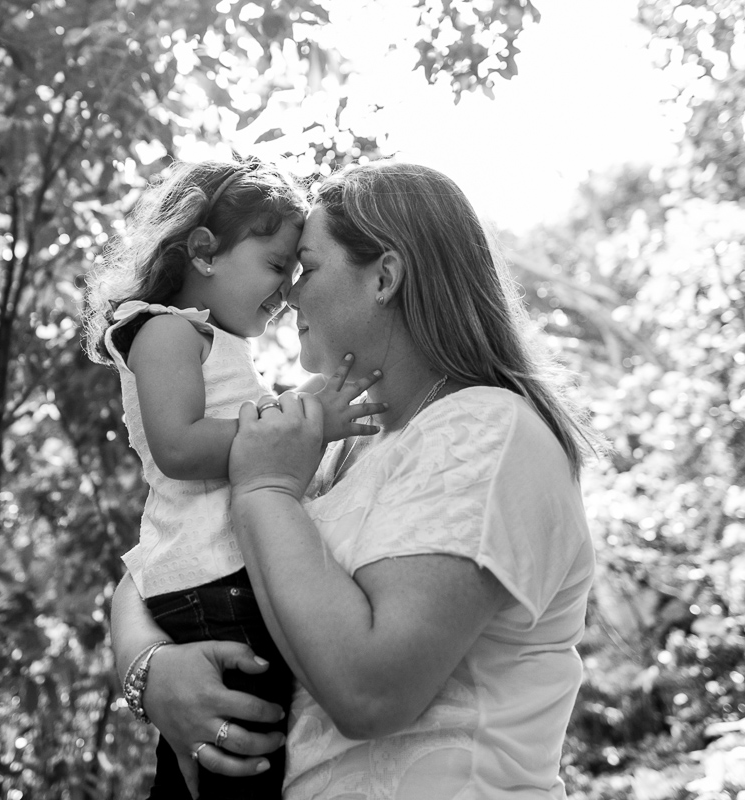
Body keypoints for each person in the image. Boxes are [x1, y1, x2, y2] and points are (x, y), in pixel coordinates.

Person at [110, 161, 597, 799]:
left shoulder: (483, 428)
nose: (287, 294)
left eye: (305, 268)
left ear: (385, 277)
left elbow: (371, 691)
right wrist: (149, 670)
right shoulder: (350, 450)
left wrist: (264, 491)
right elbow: (161, 561)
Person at [83, 157, 385, 799]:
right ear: (203, 251)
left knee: (236, 754)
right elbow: (181, 446)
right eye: (276, 267)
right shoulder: (163, 329)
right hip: (210, 581)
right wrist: (300, 425)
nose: (285, 293)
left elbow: (238, 428)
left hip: (225, 573)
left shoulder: (212, 341)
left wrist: (301, 409)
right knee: (245, 749)